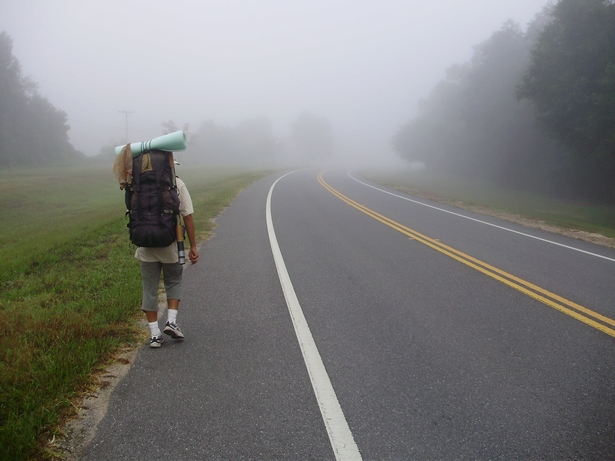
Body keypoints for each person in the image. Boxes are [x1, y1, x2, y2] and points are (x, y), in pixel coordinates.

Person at [134, 157, 199, 348]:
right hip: (170, 244)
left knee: (149, 288)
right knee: (173, 281)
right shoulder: (177, 184)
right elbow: (187, 217)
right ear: (171, 166)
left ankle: (154, 334)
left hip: (145, 245)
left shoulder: (139, 186)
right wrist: (193, 246)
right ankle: (171, 321)